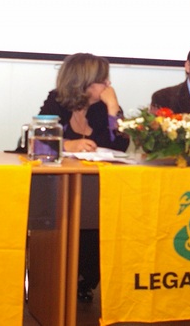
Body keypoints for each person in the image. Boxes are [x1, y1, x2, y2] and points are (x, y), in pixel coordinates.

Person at [37, 53, 129, 302]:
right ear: (85, 82)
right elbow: (35, 142)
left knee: (98, 213)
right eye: (102, 81)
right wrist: (69, 145)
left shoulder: (101, 108)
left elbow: (121, 145)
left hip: (94, 188)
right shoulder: (56, 101)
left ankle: (84, 280)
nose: (107, 85)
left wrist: (113, 108)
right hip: (55, 188)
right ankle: (58, 280)